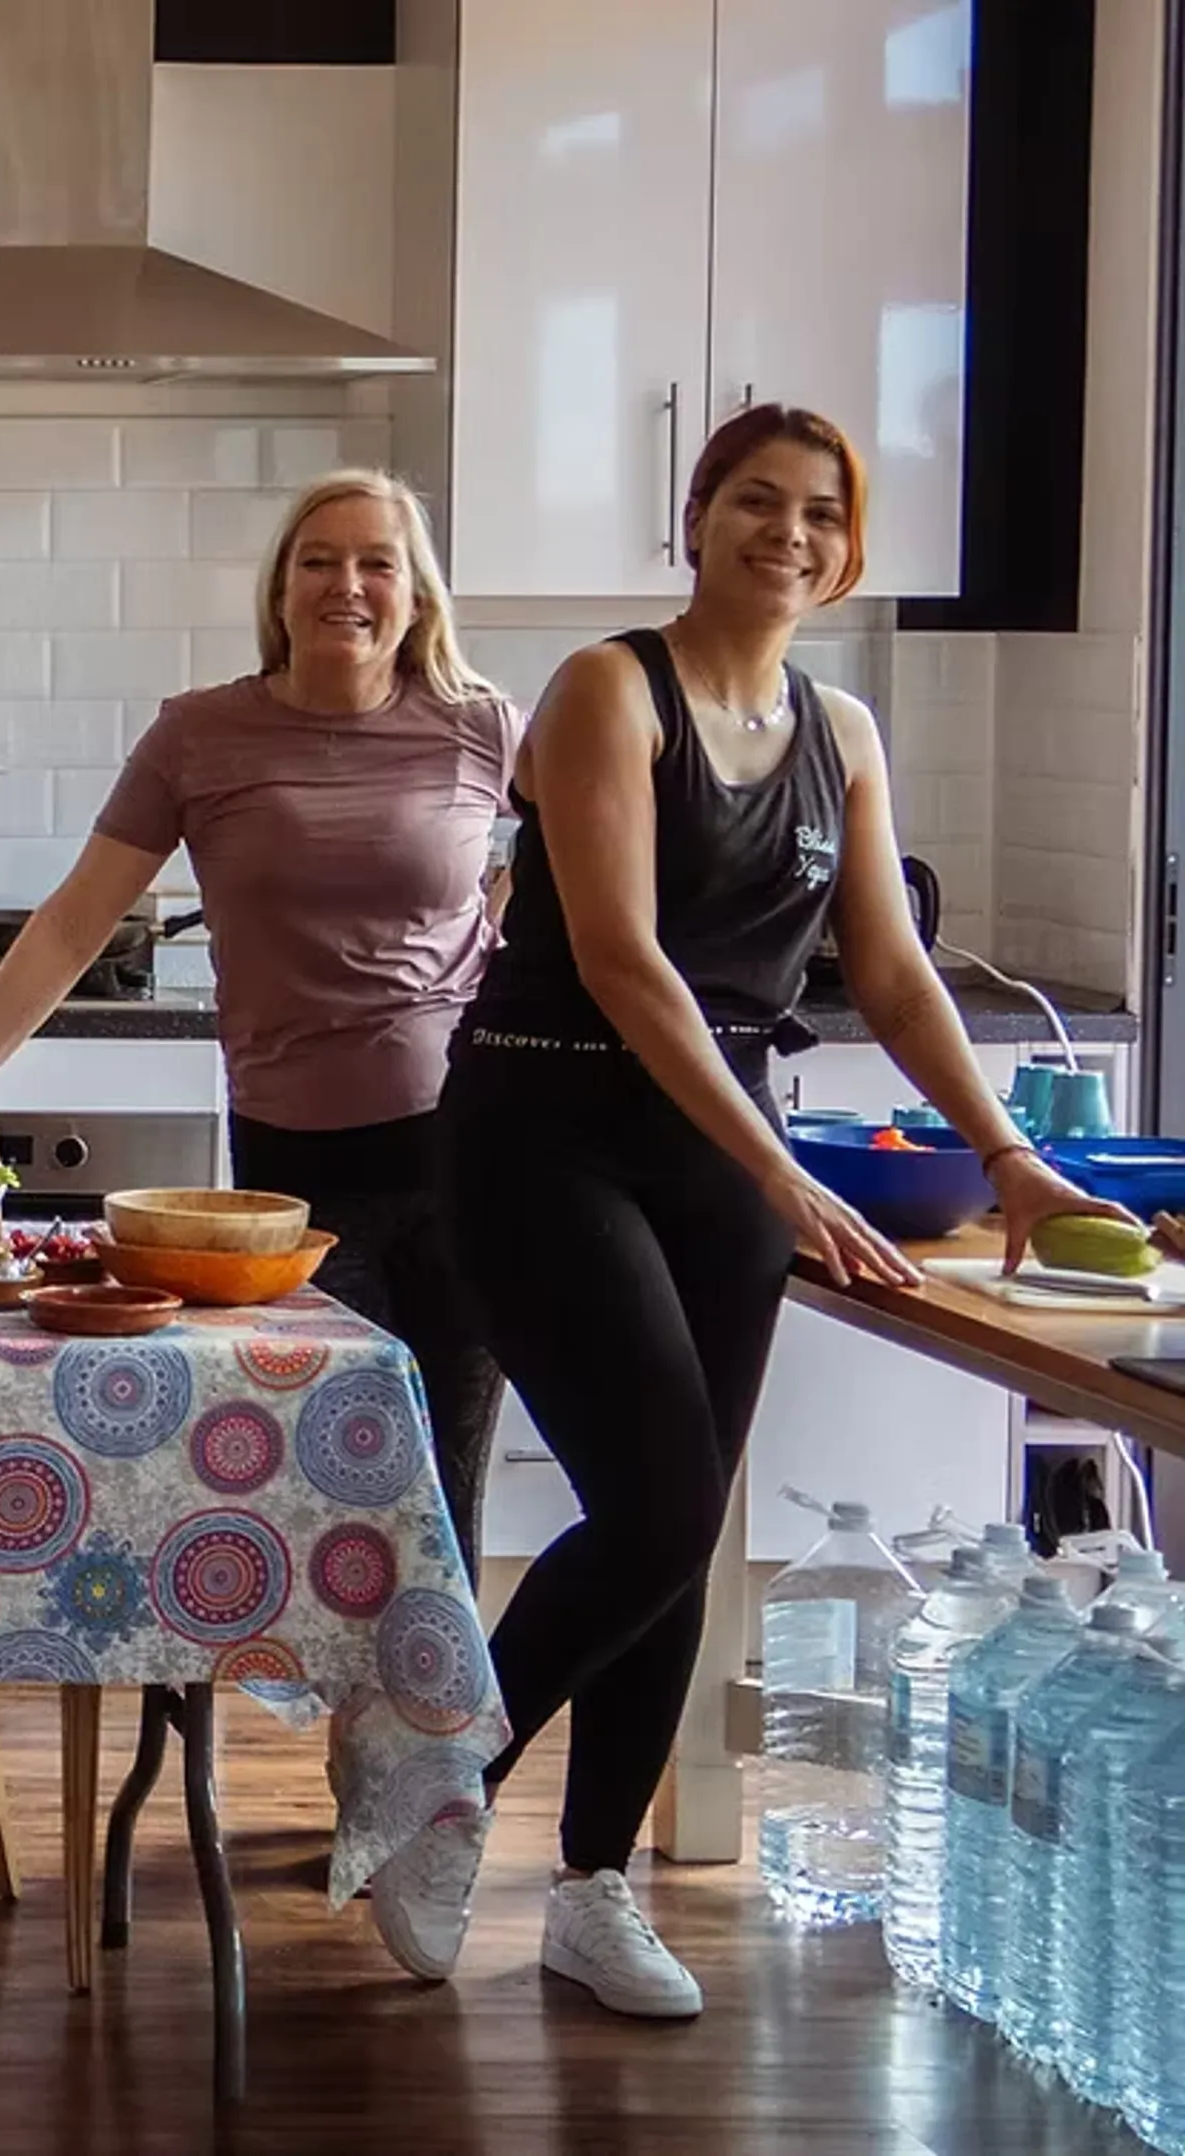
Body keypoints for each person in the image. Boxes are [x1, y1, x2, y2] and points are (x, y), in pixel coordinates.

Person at [362, 405, 1120, 2018]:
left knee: (686, 1519)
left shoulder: (843, 731)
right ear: (695, 519)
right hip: (547, 1123)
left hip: (717, 1150)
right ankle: (442, 1782)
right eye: (758, 502)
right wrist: (782, 1172)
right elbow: (627, 957)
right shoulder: (604, 691)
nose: (791, 533)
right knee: (655, 1498)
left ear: (851, 545)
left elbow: (893, 972)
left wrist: (1010, 1157)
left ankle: (594, 1886)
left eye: (823, 511)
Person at [0, 470, 514, 1578]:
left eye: (375, 562)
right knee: (278, 1475)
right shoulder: (203, 735)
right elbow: (75, 919)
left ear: (417, 595)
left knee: (445, 1480)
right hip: (287, 1174)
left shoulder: (482, 727)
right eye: (318, 560)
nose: (345, 585)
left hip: (467, 1146)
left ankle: (436, 1746)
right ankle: (210, 1730)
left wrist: (505, 935)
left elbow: (598, 865)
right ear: (279, 586)